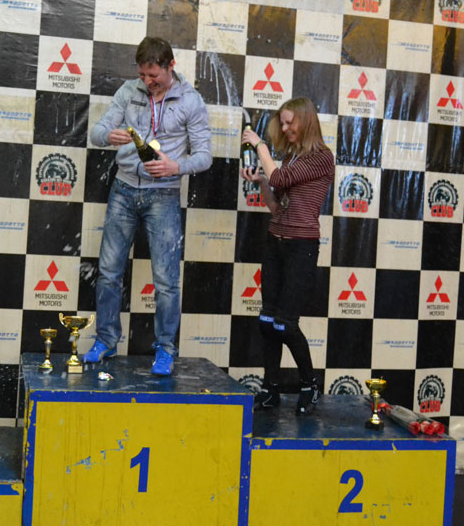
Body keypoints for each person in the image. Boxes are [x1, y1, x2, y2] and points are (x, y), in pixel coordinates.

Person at [83, 37, 211, 375]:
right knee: (109, 271)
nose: (147, 81)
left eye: (153, 75)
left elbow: (204, 156)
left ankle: (165, 349)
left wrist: (175, 166)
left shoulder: (191, 100)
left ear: (171, 66)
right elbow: (96, 131)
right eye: (142, 75)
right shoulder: (129, 91)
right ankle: (106, 339)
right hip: (123, 189)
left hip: (164, 194)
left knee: (166, 280)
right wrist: (108, 136)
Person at [240, 97, 334, 414]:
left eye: (289, 122)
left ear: (305, 121)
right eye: (281, 123)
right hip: (275, 243)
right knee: (267, 321)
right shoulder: (292, 158)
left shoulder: (322, 157)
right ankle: (271, 390)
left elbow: (280, 178)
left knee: (285, 324)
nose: (284, 128)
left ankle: (310, 385)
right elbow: (276, 204)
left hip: (300, 247)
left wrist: (259, 146)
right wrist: (261, 181)